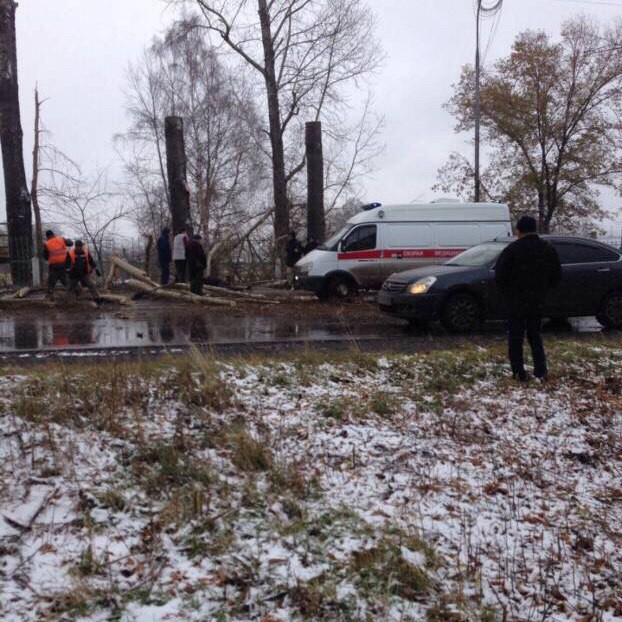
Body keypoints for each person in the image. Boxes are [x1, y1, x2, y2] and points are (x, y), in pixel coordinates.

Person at [495, 215, 561, 382]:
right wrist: (543, 289)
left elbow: (500, 276)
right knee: (535, 335)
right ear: (535, 229)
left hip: (515, 300)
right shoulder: (547, 248)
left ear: (519, 230)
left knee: (515, 338)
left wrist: (508, 292)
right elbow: (556, 275)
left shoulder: (511, 250)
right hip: (537, 299)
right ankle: (540, 370)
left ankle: (518, 372)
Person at [43, 229, 70, 299]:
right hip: (64, 263)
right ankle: (73, 291)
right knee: (65, 279)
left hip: (53, 265)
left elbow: (45, 256)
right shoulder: (61, 239)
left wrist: (51, 259)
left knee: (51, 280)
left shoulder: (46, 243)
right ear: (53, 234)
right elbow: (70, 243)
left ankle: (50, 293)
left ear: (47, 236)